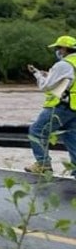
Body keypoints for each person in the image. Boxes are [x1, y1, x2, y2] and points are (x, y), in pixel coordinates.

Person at [25, 34, 76, 174]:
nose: (58, 51)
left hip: (60, 106)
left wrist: (37, 75)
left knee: (37, 131)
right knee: (71, 138)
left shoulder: (63, 64)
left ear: (65, 49)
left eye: (59, 48)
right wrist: (48, 75)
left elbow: (46, 87)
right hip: (74, 108)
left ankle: (43, 164)